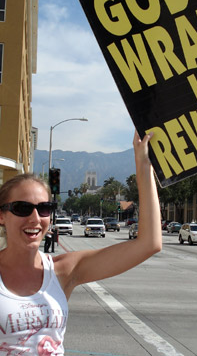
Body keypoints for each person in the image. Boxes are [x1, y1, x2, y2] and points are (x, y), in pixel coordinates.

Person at [0, 131, 161, 355]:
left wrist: (144, 165)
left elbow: (149, 244)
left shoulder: (63, 271)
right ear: (2, 215)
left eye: (44, 208)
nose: (35, 218)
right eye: (22, 208)